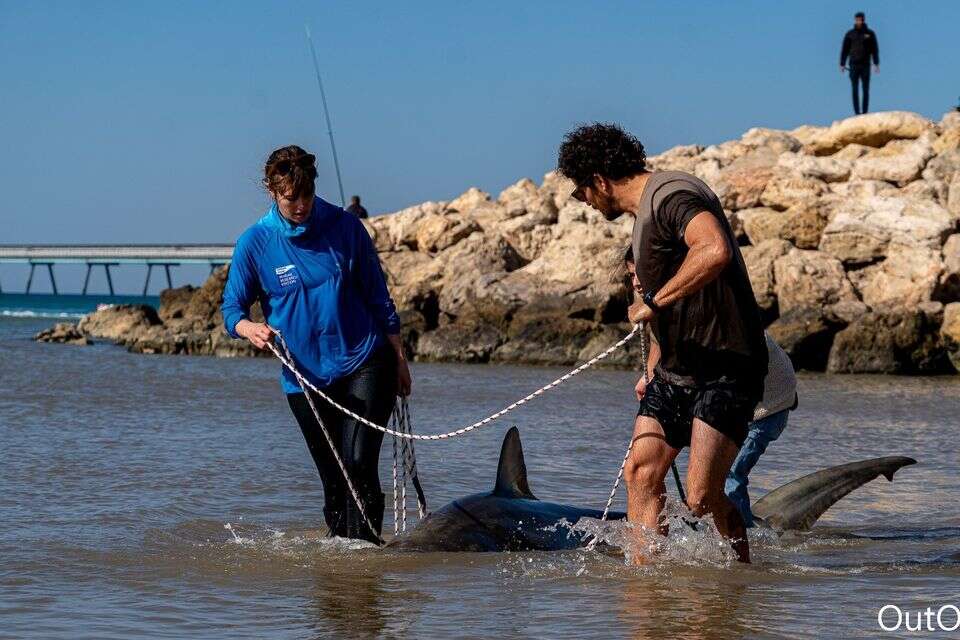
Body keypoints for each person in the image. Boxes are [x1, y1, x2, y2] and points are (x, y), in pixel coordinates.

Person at [559, 123, 767, 562]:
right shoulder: (645, 217)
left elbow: (713, 249)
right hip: (677, 369)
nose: (584, 202)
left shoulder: (671, 196)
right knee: (641, 472)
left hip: (726, 367)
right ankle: (645, 585)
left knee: (701, 498)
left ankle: (742, 578)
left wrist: (654, 300)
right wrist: (652, 370)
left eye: (581, 192)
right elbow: (674, 315)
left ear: (599, 180)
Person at [221, 145, 411, 543]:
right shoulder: (255, 243)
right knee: (334, 481)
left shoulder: (346, 227)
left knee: (358, 464)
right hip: (304, 379)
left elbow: (380, 299)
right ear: (273, 191)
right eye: (291, 197)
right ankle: (340, 573)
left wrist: (398, 358)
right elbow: (231, 310)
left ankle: (365, 561)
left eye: (307, 194)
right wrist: (249, 328)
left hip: (365, 361)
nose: (301, 205)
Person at [621, 248, 797, 528]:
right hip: (717, 392)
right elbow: (659, 338)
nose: (636, 282)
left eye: (640, 273)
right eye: (631, 275)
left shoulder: (696, 298)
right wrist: (650, 376)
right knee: (656, 472)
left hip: (768, 403)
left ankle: (748, 540)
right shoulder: (654, 298)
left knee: (724, 480)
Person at [724, 333, 797, 527]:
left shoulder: (740, 335)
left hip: (769, 413)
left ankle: (742, 530)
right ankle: (736, 521)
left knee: (731, 472)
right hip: (756, 407)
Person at [840, 11, 880, 115]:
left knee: (865, 89)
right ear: (855, 20)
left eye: (860, 20)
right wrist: (842, 63)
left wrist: (876, 63)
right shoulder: (850, 34)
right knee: (855, 89)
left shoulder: (870, 34)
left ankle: (865, 112)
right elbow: (845, 49)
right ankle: (857, 112)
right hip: (853, 64)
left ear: (863, 20)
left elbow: (874, 49)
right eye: (857, 20)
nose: (858, 22)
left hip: (865, 64)